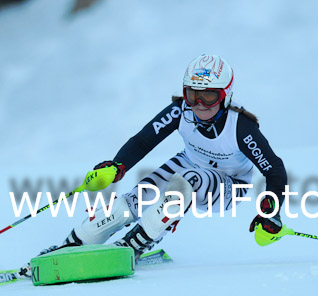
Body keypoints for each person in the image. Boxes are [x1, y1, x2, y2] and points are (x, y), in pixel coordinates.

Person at [22, 54, 287, 275]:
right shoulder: (180, 110)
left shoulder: (240, 126)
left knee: (188, 180)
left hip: (230, 185)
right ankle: (75, 242)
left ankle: (136, 242)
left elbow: (274, 170)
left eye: (209, 96)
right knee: (137, 197)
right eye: (192, 94)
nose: (198, 104)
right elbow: (143, 141)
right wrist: (117, 166)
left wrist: (270, 210)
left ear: (225, 95)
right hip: (188, 166)